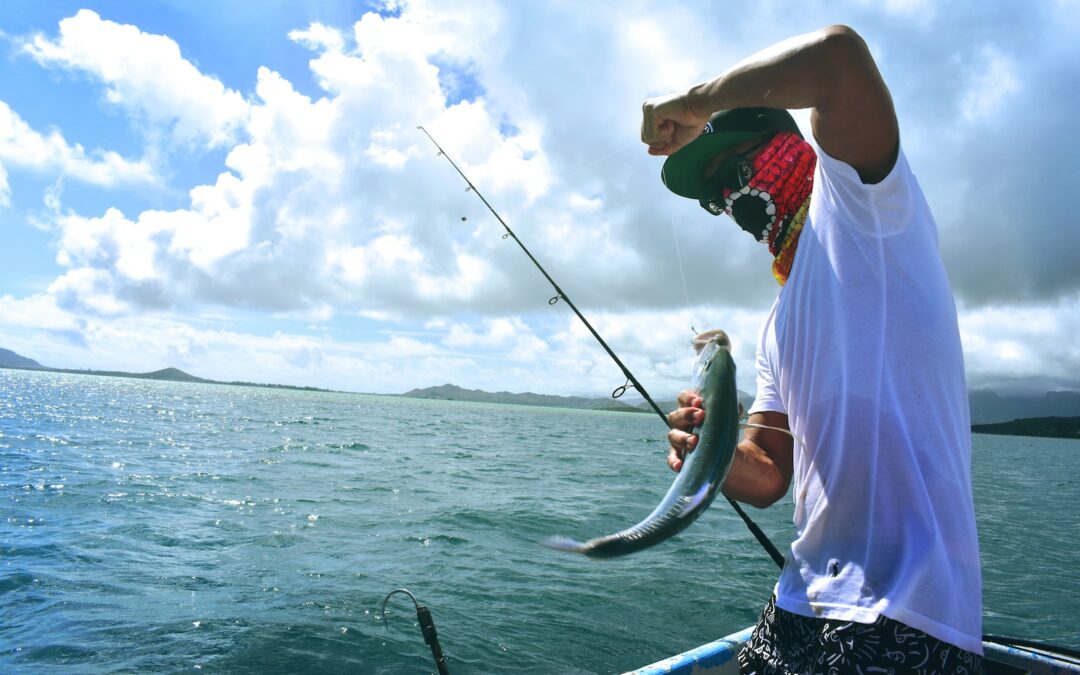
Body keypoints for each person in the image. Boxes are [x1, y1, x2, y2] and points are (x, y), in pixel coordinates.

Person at [641, 25, 983, 673]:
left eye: (736, 171)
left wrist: (694, 104)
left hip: (906, 613)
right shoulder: (776, 322)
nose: (731, 200)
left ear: (792, 148)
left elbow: (837, 58)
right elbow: (767, 473)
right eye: (717, 196)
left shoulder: (865, 205)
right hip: (798, 604)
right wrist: (710, 451)